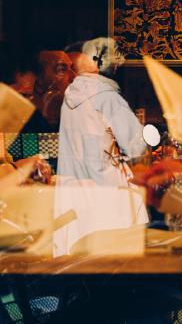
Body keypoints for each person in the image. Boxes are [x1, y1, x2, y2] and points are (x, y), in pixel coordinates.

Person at [53, 37, 149, 256]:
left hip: (75, 191)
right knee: (113, 264)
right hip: (107, 193)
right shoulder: (105, 96)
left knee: (80, 262)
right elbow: (135, 145)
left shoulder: (69, 97)